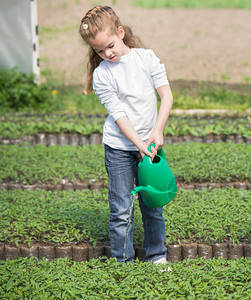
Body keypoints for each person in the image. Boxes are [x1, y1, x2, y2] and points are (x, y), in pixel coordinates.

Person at [79, 6, 173, 263]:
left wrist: (157, 130)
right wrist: (139, 143)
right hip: (120, 148)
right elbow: (119, 115)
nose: (106, 54)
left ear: (120, 33)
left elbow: (166, 95)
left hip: (150, 145)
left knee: (152, 204)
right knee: (121, 209)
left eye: (110, 46)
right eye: (99, 51)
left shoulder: (147, 58)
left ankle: (157, 256)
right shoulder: (102, 75)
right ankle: (123, 262)